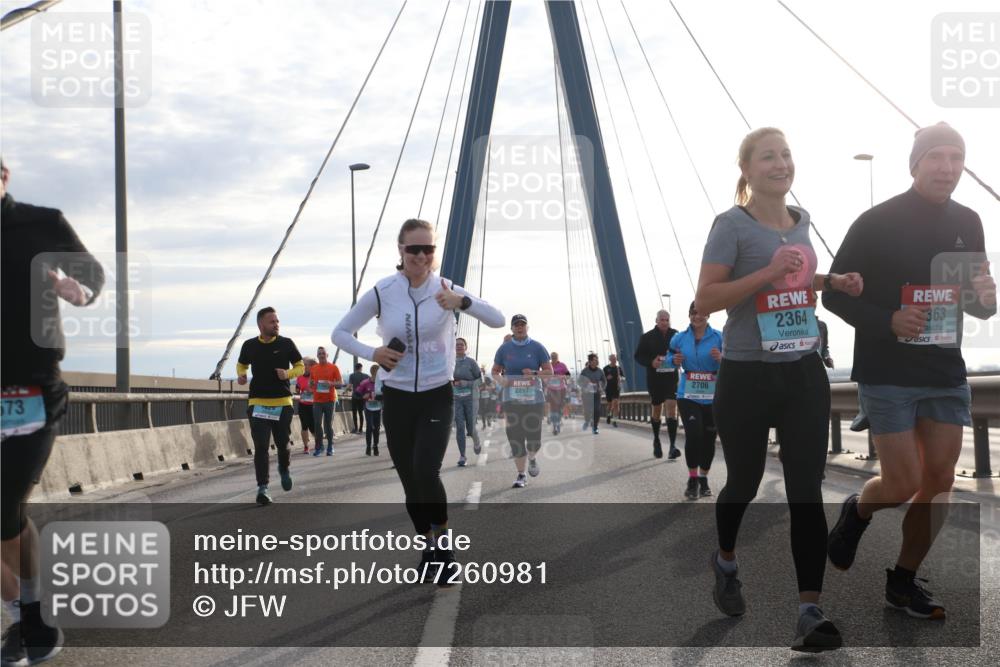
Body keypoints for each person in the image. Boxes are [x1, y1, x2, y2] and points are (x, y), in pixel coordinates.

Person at [695, 127, 863, 651]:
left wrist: (831, 282)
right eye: (767, 156)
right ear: (745, 170)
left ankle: (809, 612)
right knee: (743, 484)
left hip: (802, 372)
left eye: (786, 154)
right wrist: (768, 269)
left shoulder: (802, 221)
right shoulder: (731, 225)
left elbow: (793, 281)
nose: (780, 163)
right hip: (746, 374)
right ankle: (725, 560)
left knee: (805, 492)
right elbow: (708, 298)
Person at [823, 123, 995, 620]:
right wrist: (887, 320)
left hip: (944, 369)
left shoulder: (970, 220)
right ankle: (857, 510)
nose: (946, 167)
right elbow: (833, 292)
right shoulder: (875, 221)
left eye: (955, 158)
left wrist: (986, 301)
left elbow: (975, 301)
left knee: (938, 481)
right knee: (901, 483)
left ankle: (902, 580)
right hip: (889, 369)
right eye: (936, 157)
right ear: (915, 164)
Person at [332, 218, 504, 583]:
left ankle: (444, 548)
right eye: (414, 249)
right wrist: (373, 352)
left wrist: (463, 301)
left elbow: (497, 319)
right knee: (410, 481)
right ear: (400, 250)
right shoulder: (383, 291)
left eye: (429, 249)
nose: (422, 256)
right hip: (396, 396)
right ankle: (427, 544)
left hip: (436, 394)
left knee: (427, 472)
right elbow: (340, 333)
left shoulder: (445, 288)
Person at [1, 158, 105, 666]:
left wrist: (76, 289)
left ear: (3, 177)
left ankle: (30, 615)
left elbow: (91, 278)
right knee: (4, 511)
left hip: (30, 391)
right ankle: (28, 617)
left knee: (3, 503)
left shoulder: (42, 223)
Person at [237, 307, 304, 505]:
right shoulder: (249, 345)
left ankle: (284, 469)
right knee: (261, 446)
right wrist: (241, 375)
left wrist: (288, 374)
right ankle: (263, 488)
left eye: (277, 321)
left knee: (283, 445)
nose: (276, 324)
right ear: (261, 325)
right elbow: (242, 364)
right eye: (271, 322)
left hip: (282, 403)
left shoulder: (286, 343)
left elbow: (300, 366)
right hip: (258, 403)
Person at [669, 302, 723, 500]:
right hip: (688, 394)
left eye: (701, 313)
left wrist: (721, 358)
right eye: (693, 313)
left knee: (709, 438)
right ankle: (692, 479)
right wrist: (672, 361)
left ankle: (703, 478)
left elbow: (732, 359)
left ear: (708, 315)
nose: (697, 317)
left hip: (712, 395)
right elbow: (669, 357)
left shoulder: (718, 337)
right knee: (694, 434)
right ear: (689, 314)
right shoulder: (679, 338)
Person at [492, 315, 553, 488]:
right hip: (511, 400)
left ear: (527, 327)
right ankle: (521, 474)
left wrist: (534, 373)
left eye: (522, 325)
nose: (519, 328)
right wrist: (501, 380)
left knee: (534, 439)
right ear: (512, 329)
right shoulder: (504, 349)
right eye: (516, 325)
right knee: (515, 437)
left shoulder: (537, 347)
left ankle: (532, 458)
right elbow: (495, 371)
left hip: (534, 400)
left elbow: (549, 371)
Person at [634, 310, 680, 459]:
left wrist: (679, 358)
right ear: (656, 320)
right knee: (657, 410)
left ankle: (672, 446)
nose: (665, 322)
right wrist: (651, 362)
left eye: (667, 320)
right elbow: (638, 356)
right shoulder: (647, 337)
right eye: (662, 320)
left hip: (671, 377)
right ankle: (657, 440)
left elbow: (682, 350)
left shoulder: (676, 335)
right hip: (655, 379)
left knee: (672, 408)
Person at [452, 337, 482, 466]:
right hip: (456, 399)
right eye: (456, 344)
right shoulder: (449, 362)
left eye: (461, 345)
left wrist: (467, 383)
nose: (459, 346)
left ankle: (476, 442)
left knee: (471, 428)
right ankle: (462, 456)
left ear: (465, 347)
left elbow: (480, 381)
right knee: (459, 427)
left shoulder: (471, 362)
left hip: (471, 399)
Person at [310, 347, 342, 457]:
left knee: (328, 425)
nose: (322, 355)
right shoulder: (314, 368)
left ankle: (330, 446)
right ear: (317, 356)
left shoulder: (333, 367)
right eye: (319, 353)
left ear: (327, 355)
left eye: (323, 353)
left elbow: (340, 383)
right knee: (317, 424)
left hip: (329, 400)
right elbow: (311, 383)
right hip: (317, 400)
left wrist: (331, 383)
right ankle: (319, 447)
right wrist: (312, 384)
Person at [356, 365, 384, 456]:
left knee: (376, 428)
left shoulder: (382, 383)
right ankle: (368, 447)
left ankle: (375, 446)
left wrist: (380, 397)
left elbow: (387, 393)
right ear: (372, 373)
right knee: (369, 427)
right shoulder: (365, 382)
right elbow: (356, 393)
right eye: (377, 373)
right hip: (368, 407)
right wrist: (363, 396)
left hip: (378, 407)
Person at [578, 353, 607, 434]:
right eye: (594, 360)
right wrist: (585, 386)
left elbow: (604, 381)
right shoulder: (585, 371)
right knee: (587, 410)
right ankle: (587, 421)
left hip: (596, 393)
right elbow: (579, 382)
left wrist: (602, 388)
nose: (596, 361)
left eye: (597, 359)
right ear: (590, 361)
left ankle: (595, 427)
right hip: (587, 394)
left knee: (597, 410)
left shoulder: (600, 371)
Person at [294, 356, 316, 453]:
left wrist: (312, 390)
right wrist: (298, 390)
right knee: (304, 426)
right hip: (303, 404)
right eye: (303, 365)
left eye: (306, 365)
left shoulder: (315, 376)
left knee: (313, 427)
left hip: (313, 405)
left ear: (311, 366)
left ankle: (318, 443)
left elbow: (320, 389)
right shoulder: (299, 377)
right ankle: (306, 446)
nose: (304, 366)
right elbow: (297, 388)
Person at [546, 352, 571, 435]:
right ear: (550, 357)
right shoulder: (547, 365)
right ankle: (555, 425)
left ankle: (558, 420)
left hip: (561, 389)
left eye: (555, 357)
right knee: (554, 407)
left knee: (560, 407)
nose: (553, 358)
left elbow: (568, 374)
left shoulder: (562, 365)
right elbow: (543, 375)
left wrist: (564, 376)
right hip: (551, 389)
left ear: (557, 357)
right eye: (552, 357)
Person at [602, 354, 626, 427]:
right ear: (610, 359)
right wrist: (606, 378)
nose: (614, 360)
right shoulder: (605, 368)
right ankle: (609, 415)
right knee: (609, 405)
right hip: (608, 389)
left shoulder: (618, 368)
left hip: (616, 388)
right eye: (612, 359)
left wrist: (621, 378)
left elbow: (624, 378)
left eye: (615, 359)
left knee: (616, 404)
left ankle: (615, 421)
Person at [348, 362, 370, 434]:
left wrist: (345, 391)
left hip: (354, 396)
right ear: (361, 368)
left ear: (355, 368)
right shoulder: (366, 376)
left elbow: (350, 386)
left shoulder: (352, 375)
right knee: (361, 413)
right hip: (362, 397)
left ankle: (356, 428)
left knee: (354, 413)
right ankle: (361, 429)